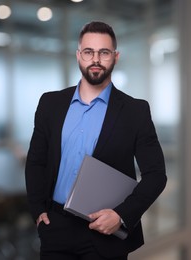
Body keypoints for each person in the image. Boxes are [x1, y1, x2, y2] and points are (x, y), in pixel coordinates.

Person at [25, 21, 167, 260]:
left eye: (104, 52)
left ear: (115, 56)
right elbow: (36, 161)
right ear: (79, 55)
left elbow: (156, 174)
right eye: (89, 52)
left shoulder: (135, 111)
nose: (96, 59)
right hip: (55, 228)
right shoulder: (50, 104)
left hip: (105, 233)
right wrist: (38, 210)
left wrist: (121, 216)